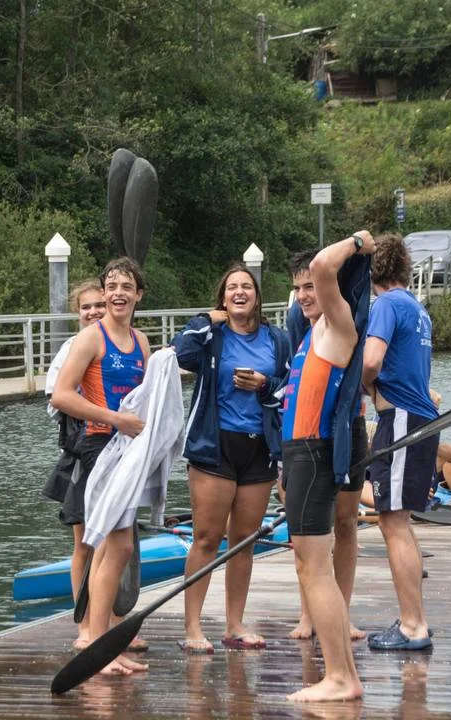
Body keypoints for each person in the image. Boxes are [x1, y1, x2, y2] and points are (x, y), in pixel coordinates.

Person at [171, 262, 290, 654]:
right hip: (215, 445)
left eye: (247, 287)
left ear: (257, 296)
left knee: (243, 541)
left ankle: (235, 625)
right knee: (207, 538)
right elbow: (179, 354)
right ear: (223, 298)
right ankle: (192, 627)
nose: (240, 292)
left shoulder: (277, 338)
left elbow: (289, 387)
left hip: (260, 447)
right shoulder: (212, 336)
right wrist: (206, 319)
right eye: (232, 287)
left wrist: (264, 384)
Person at [282, 230, 375, 703]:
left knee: (314, 568)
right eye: (298, 289)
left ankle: (339, 677)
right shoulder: (312, 331)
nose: (305, 295)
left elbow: (323, 265)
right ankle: (343, 674)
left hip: (314, 452)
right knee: (310, 566)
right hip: (302, 453)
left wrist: (358, 241)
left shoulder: (339, 327)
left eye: (311, 287)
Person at [51, 257, 150, 677]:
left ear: (138, 295)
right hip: (98, 446)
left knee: (116, 547)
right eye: (111, 286)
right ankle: (95, 641)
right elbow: (61, 395)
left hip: (129, 451)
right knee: (116, 544)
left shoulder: (142, 341)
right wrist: (114, 419)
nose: (117, 293)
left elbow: (147, 400)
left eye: (126, 286)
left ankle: (101, 639)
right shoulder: (91, 338)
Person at [362, 233, 438, 652]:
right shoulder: (416, 307)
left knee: (392, 524)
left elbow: (372, 360)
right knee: (401, 523)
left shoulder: (386, 304)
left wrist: (354, 387)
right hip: (419, 418)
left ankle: (412, 625)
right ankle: (416, 617)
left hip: (402, 420)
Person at [43, 279, 106, 649]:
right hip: (83, 451)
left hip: (117, 450)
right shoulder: (71, 349)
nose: (93, 312)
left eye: (99, 305)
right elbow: (58, 401)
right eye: (86, 307)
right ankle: (84, 625)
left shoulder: (125, 343)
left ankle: (113, 620)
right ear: (77, 312)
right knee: (84, 542)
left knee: (118, 544)